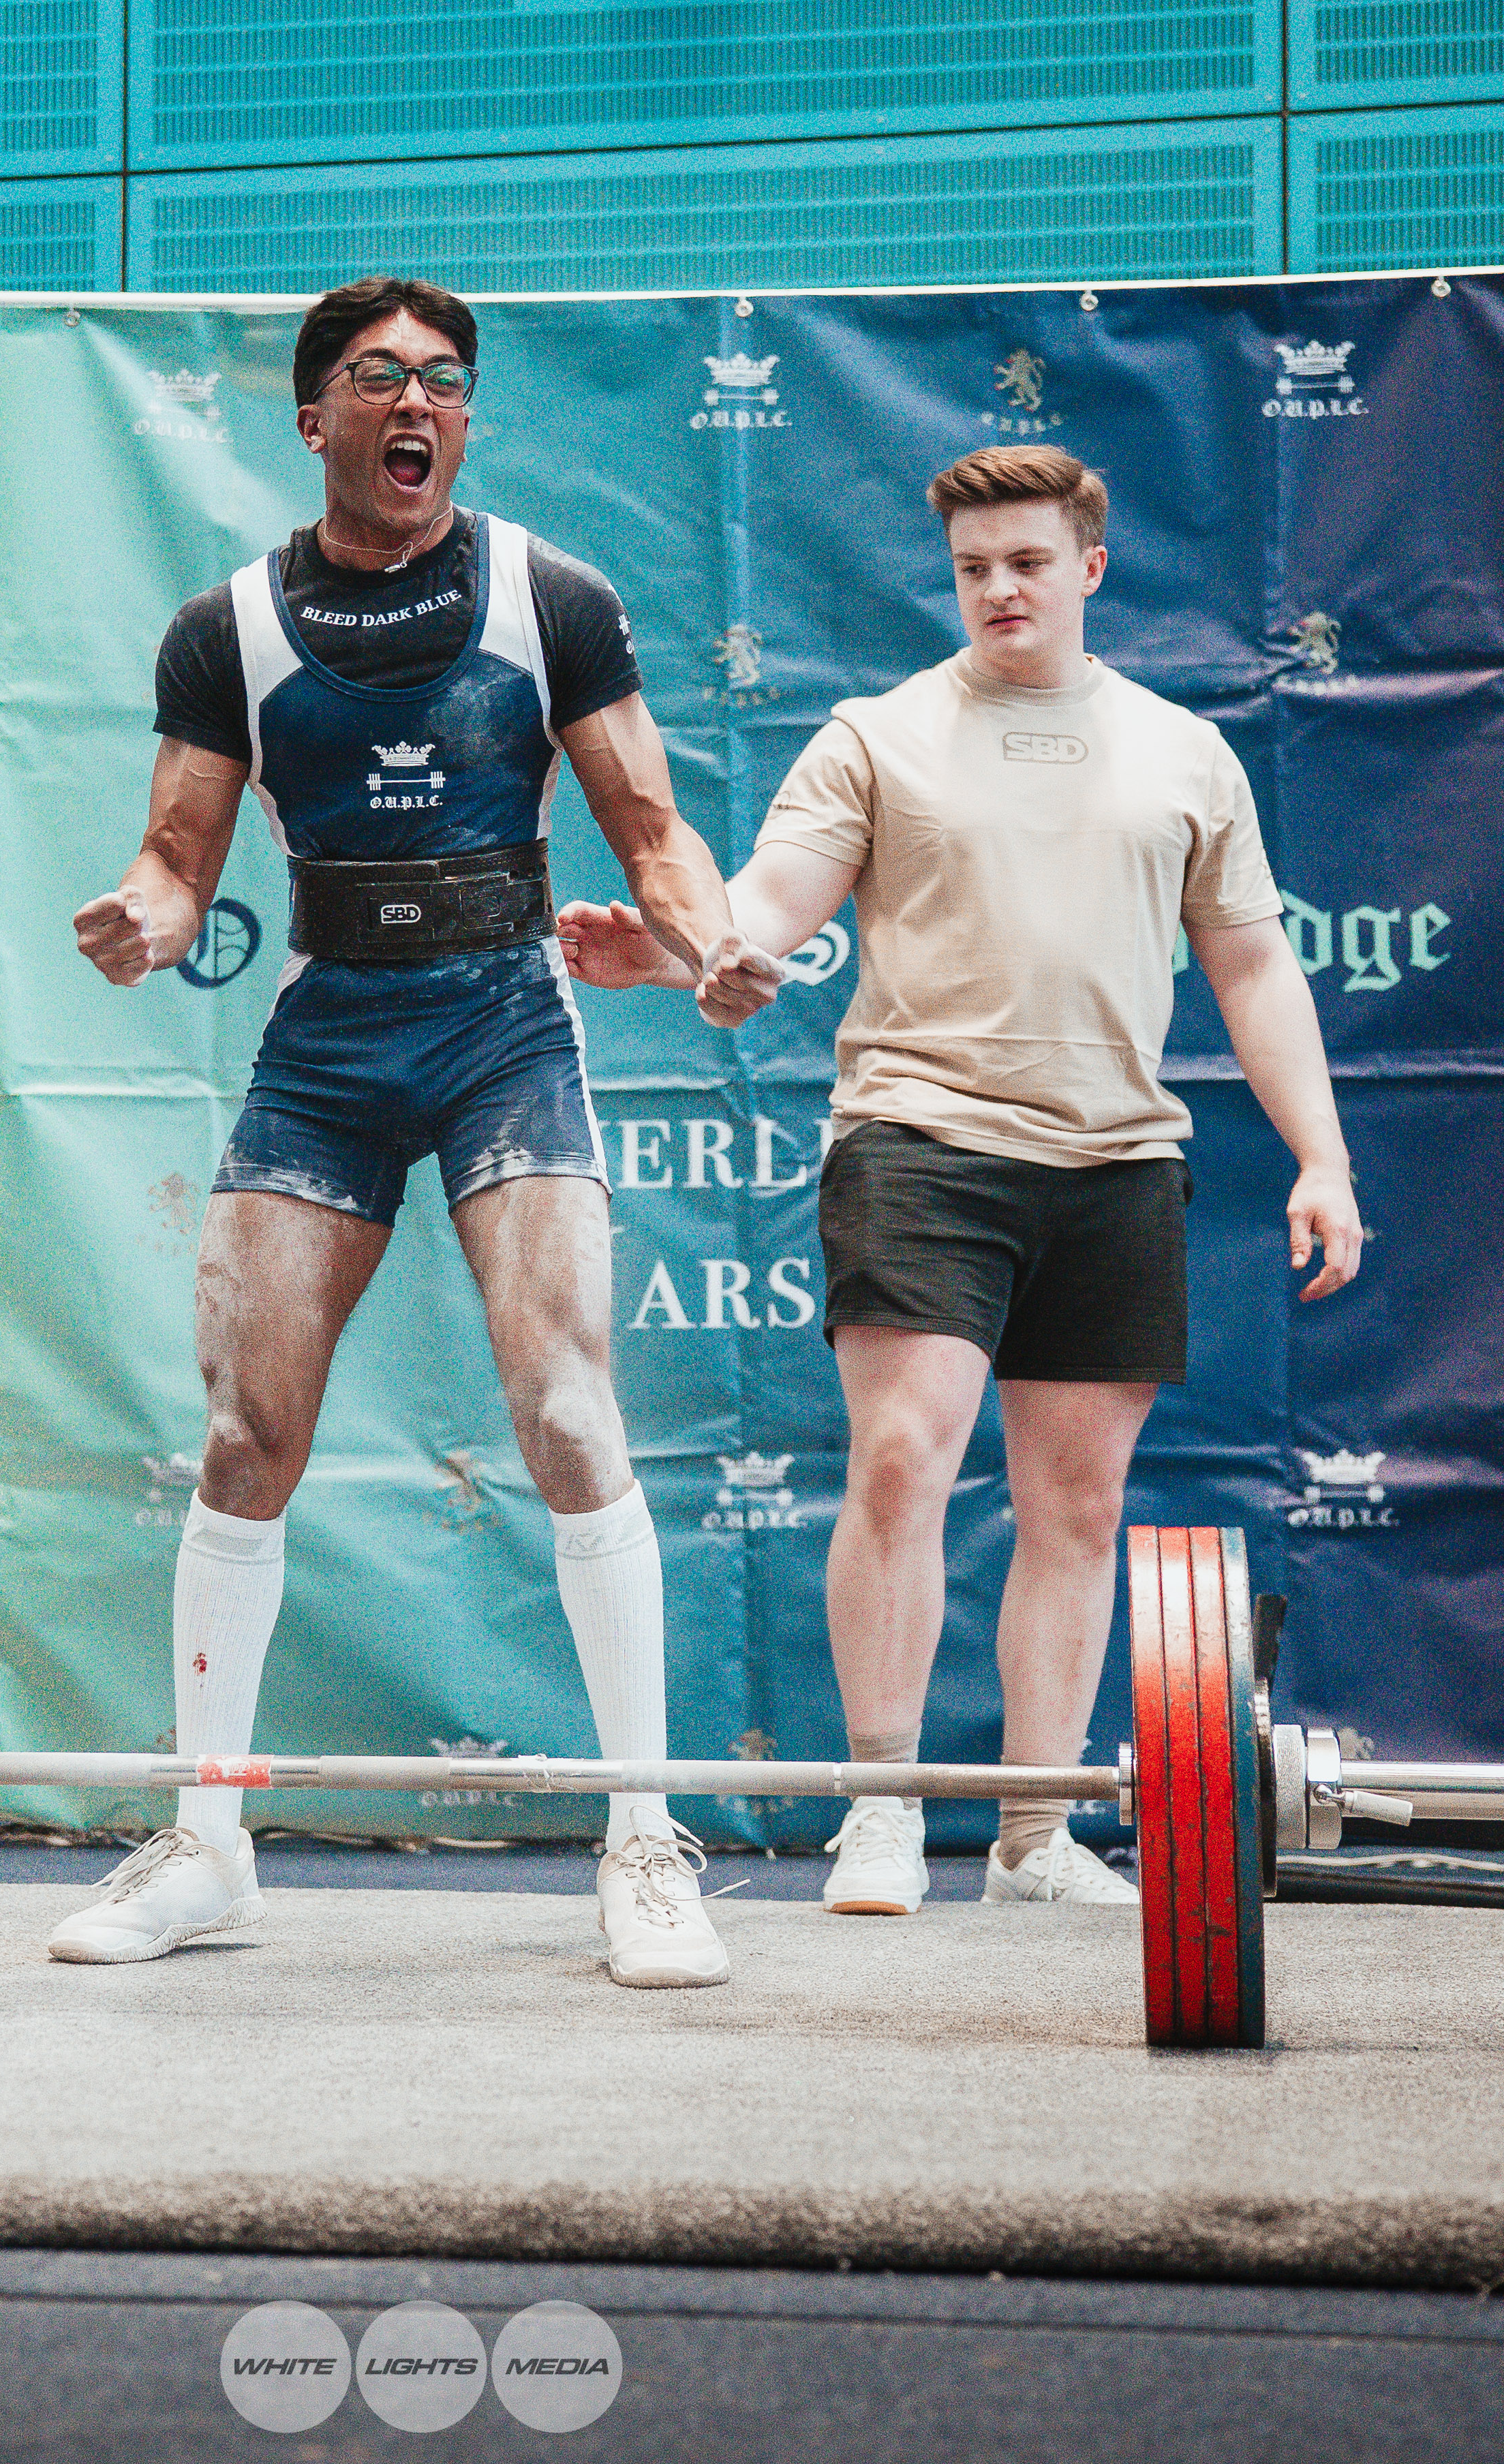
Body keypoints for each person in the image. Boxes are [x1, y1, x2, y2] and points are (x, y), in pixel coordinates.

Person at [60, 275, 782, 1985]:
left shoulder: (554, 597)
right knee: (247, 1437)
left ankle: (642, 1838)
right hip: (331, 1038)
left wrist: (714, 932)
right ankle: (209, 1844)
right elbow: (178, 858)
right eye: (382, 378)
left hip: (502, 1027)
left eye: (447, 383)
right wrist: (147, 919)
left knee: (567, 1407)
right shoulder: (222, 628)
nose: (420, 404)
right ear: (313, 418)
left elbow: (652, 825)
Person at [560, 443, 1362, 1913]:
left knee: (1073, 1506)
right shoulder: (877, 736)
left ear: (1089, 566)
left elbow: (1252, 961)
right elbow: (766, 910)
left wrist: (1322, 1153)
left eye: (1027, 560)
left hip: (1117, 1161)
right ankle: (879, 1808)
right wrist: (679, 954)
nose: (999, 585)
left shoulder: (1187, 752)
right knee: (899, 1460)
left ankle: (1032, 1835)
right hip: (920, 1144)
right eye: (974, 565)